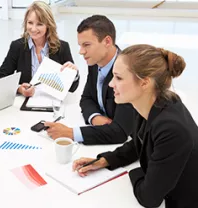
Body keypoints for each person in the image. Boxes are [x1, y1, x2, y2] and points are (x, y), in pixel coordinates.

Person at [73, 44, 198, 208]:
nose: (111, 84)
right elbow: (140, 141)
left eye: (118, 78)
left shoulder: (171, 129)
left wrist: (135, 172)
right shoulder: (152, 103)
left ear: (144, 83)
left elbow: (149, 198)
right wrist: (106, 160)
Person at [45, 15, 134, 144]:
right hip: (103, 133)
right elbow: (86, 98)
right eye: (80, 45)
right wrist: (95, 117)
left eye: (86, 45)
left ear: (107, 42)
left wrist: (70, 133)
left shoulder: (126, 71)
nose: (81, 52)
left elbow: (120, 132)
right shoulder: (95, 62)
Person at [0, 1, 79, 97]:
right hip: (25, 102)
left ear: (48, 25)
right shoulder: (17, 46)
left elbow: (72, 88)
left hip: (52, 102)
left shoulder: (62, 47)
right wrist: (19, 89)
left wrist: (74, 74)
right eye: (30, 23)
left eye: (39, 24)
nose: (33, 29)